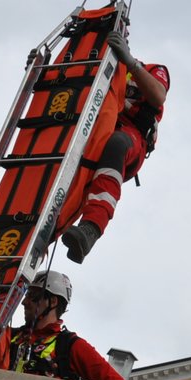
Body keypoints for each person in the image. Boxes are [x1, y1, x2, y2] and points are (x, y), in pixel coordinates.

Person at [59, 28, 169, 262]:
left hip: (130, 138)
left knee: (116, 144)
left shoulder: (150, 70)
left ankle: (91, 228)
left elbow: (158, 95)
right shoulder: (96, 68)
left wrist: (129, 61)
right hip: (95, 129)